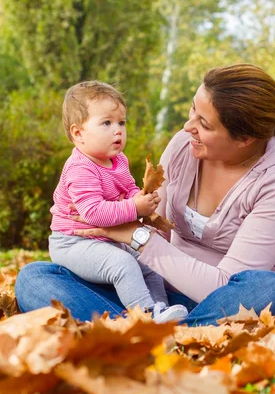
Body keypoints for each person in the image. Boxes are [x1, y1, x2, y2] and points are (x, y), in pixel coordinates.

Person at [16, 64, 275, 326]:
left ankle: (142, 334)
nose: (189, 126)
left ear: (244, 138)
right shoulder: (185, 146)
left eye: (204, 123)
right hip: (164, 294)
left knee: (274, 292)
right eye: (193, 110)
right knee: (35, 278)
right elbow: (151, 223)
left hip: (228, 299)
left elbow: (223, 285)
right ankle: (158, 328)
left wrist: (135, 236)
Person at [47, 81, 189, 323]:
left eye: (121, 123)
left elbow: (128, 189)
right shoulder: (80, 168)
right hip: (73, 242)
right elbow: (93, 213)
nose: (118, 130)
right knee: (122, 264)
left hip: (107, 238)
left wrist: (141, 198)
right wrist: (134, 207)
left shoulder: (118, 160)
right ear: (78, 133)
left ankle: (162, 310)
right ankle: (144, 315)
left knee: (150, 265)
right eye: (106, 123)